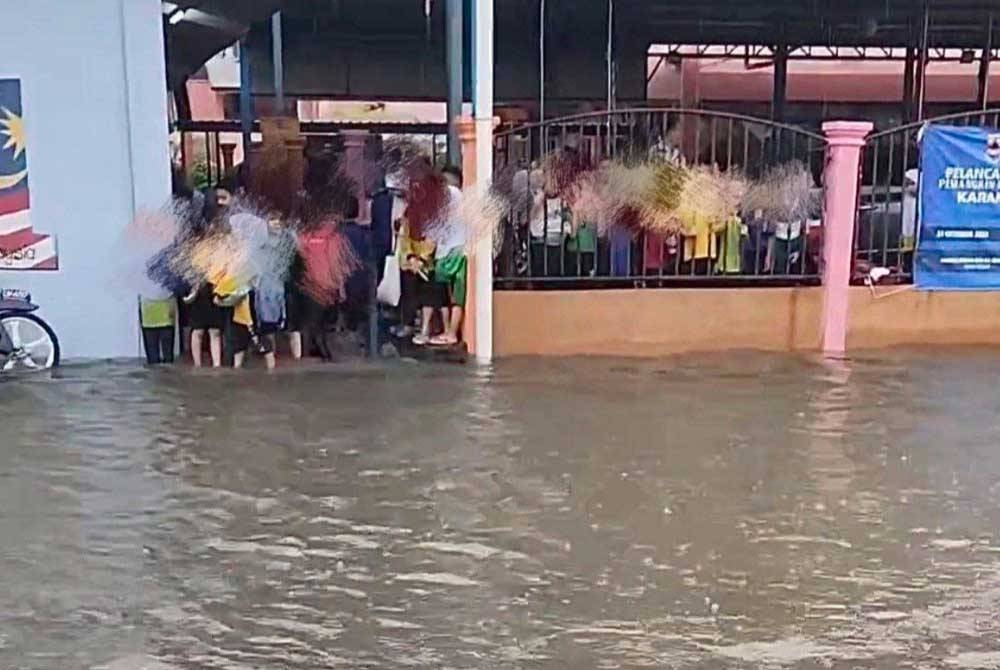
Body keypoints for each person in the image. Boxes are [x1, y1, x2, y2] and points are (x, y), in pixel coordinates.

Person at [184, 186, 231, 367]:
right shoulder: (215, 227)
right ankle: (214, 365)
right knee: (210, 331)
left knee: (202, 330)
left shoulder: (206, 227)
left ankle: (202, 364)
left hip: (206, 285)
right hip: (209, 285)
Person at [423, 166, 468, 346]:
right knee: (457, 295)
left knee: (445, 294)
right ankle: (450, 332)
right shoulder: (463, 198)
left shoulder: (445, 196)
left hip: (447, 252)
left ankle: (450, 332)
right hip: (461, 249)